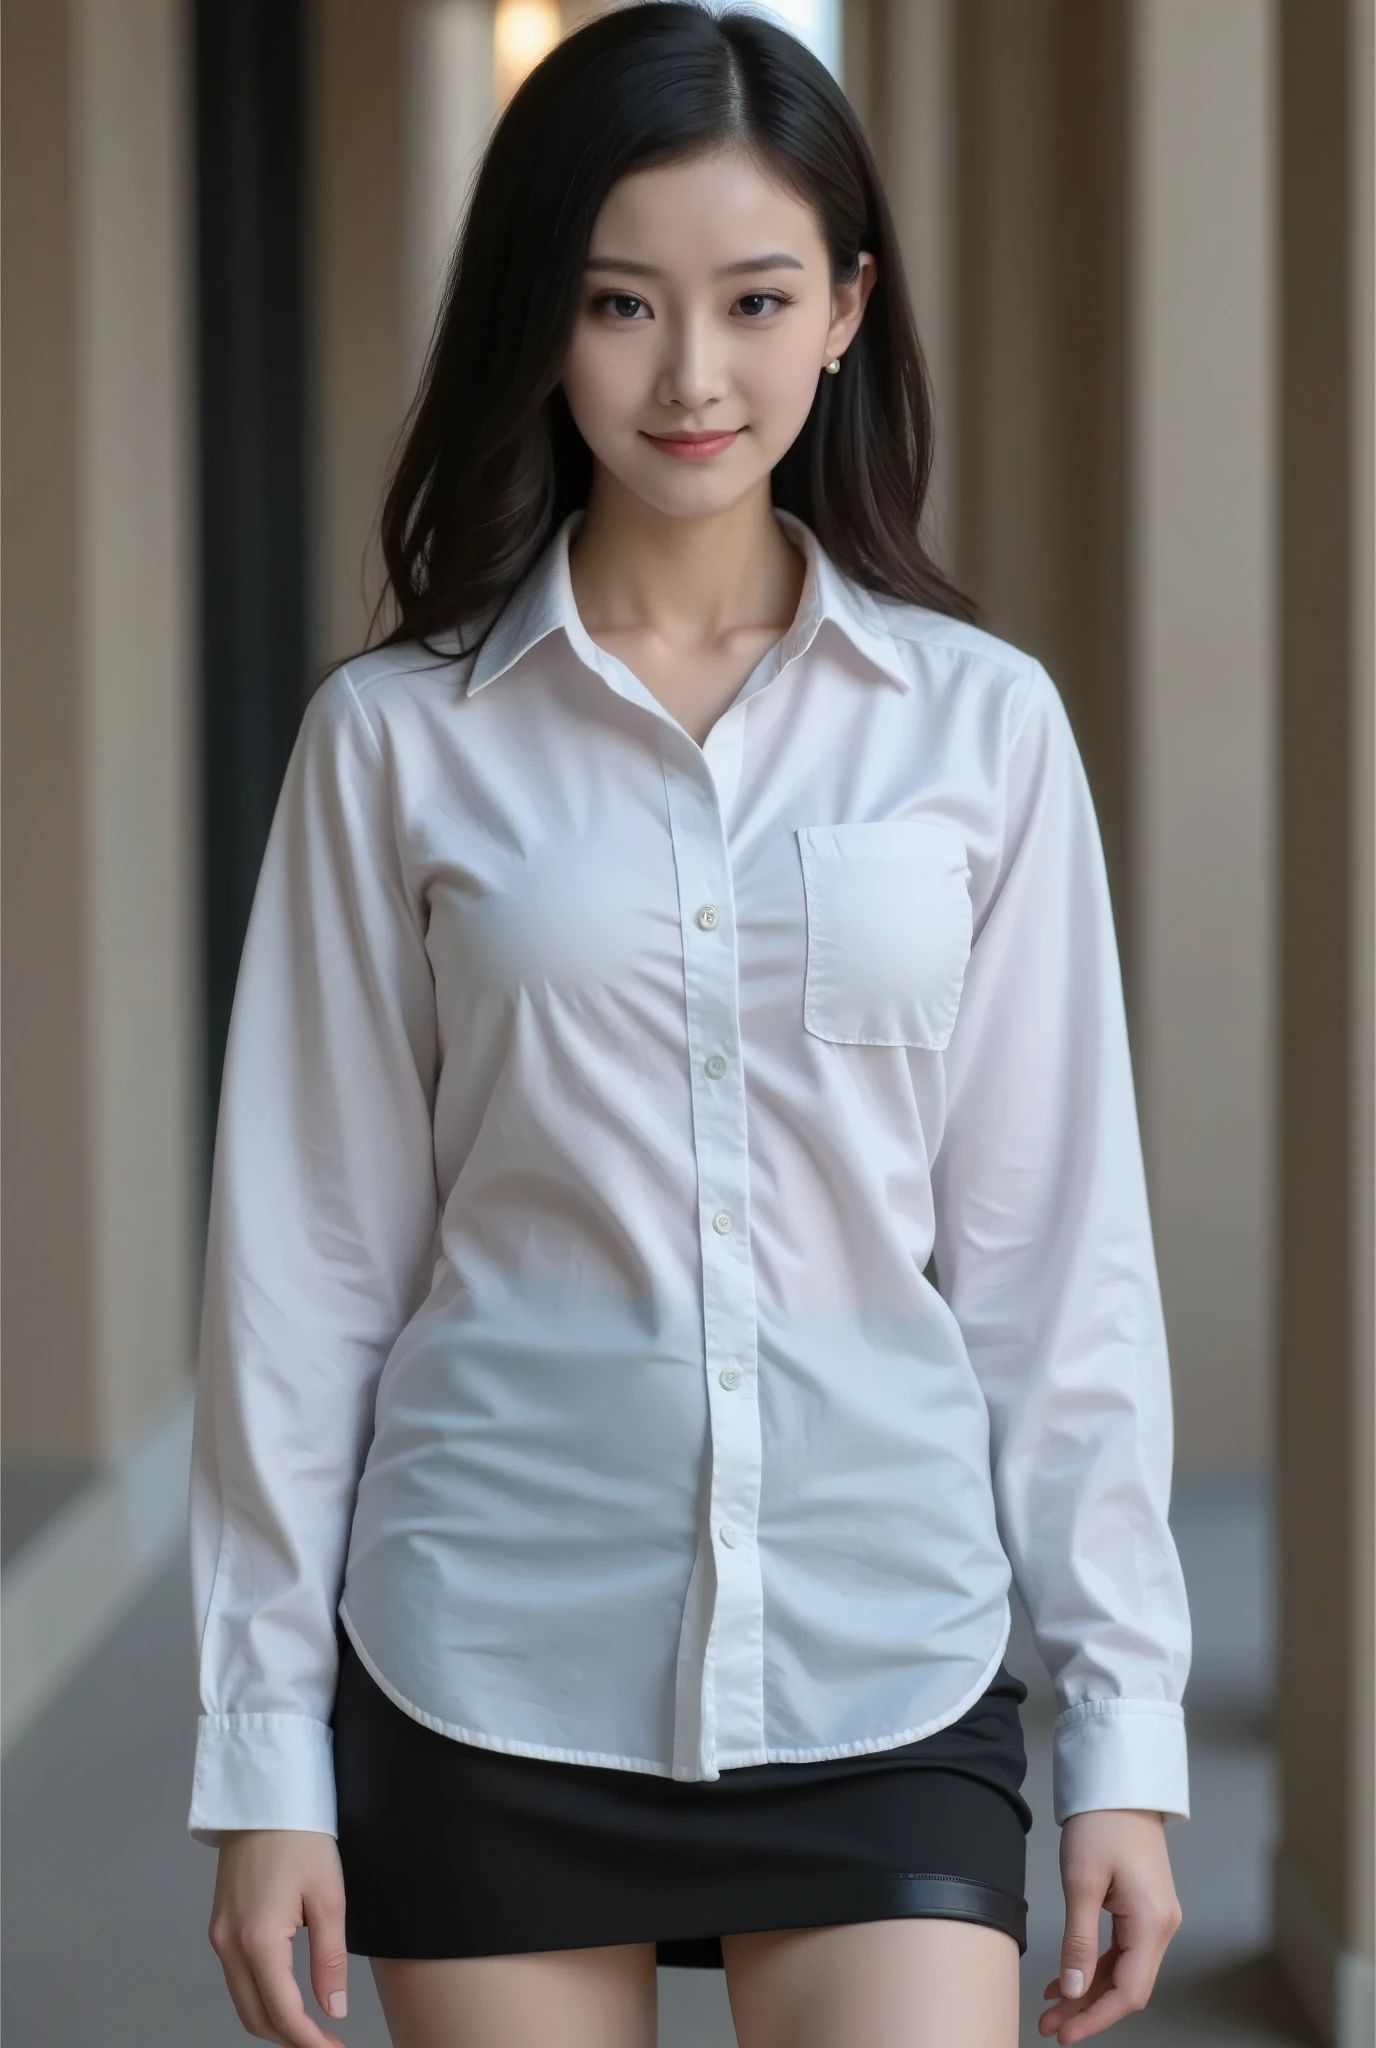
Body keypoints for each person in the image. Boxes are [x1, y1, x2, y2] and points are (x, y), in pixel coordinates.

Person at [188, 7, 1192, 2045]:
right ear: (541, 325)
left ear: (844, 313)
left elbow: (1054, 1264)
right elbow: (303, 1283)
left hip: (881, 1660)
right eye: (619, 303)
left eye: (750, 300)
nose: (690, 375)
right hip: (487, 1652)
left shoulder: (979, 731)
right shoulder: (393, 745)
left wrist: (1125, 1731)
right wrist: (259, 1762)